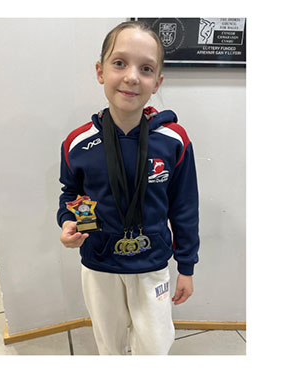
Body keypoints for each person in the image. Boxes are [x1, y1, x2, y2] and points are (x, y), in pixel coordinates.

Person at [57, 21, 199, 355]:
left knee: (154, 346)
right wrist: (70, 223)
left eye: (146, 68)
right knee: (109, 345)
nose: (132, 76)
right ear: (100, 71)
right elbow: (73, 194)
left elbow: (184, 208)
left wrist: (187, 267)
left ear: (157, 82)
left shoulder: (174, 141)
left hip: (152, 263)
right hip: (99, 264)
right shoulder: (77, 144)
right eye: (119, 63)